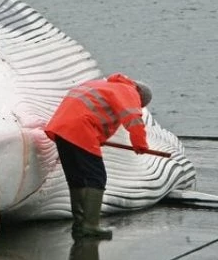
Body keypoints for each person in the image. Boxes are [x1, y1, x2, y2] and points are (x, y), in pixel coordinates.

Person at [44, 72, 153, 240]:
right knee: (96, 178)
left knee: (77, 178)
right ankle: (90, 226)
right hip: (80, 130)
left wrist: (98, 139)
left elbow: (95, 113)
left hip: (61, 129)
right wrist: (140, 144)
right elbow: (133, 117)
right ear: (140, 95)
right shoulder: (129, 90)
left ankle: (79, 225)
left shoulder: (101, 85)